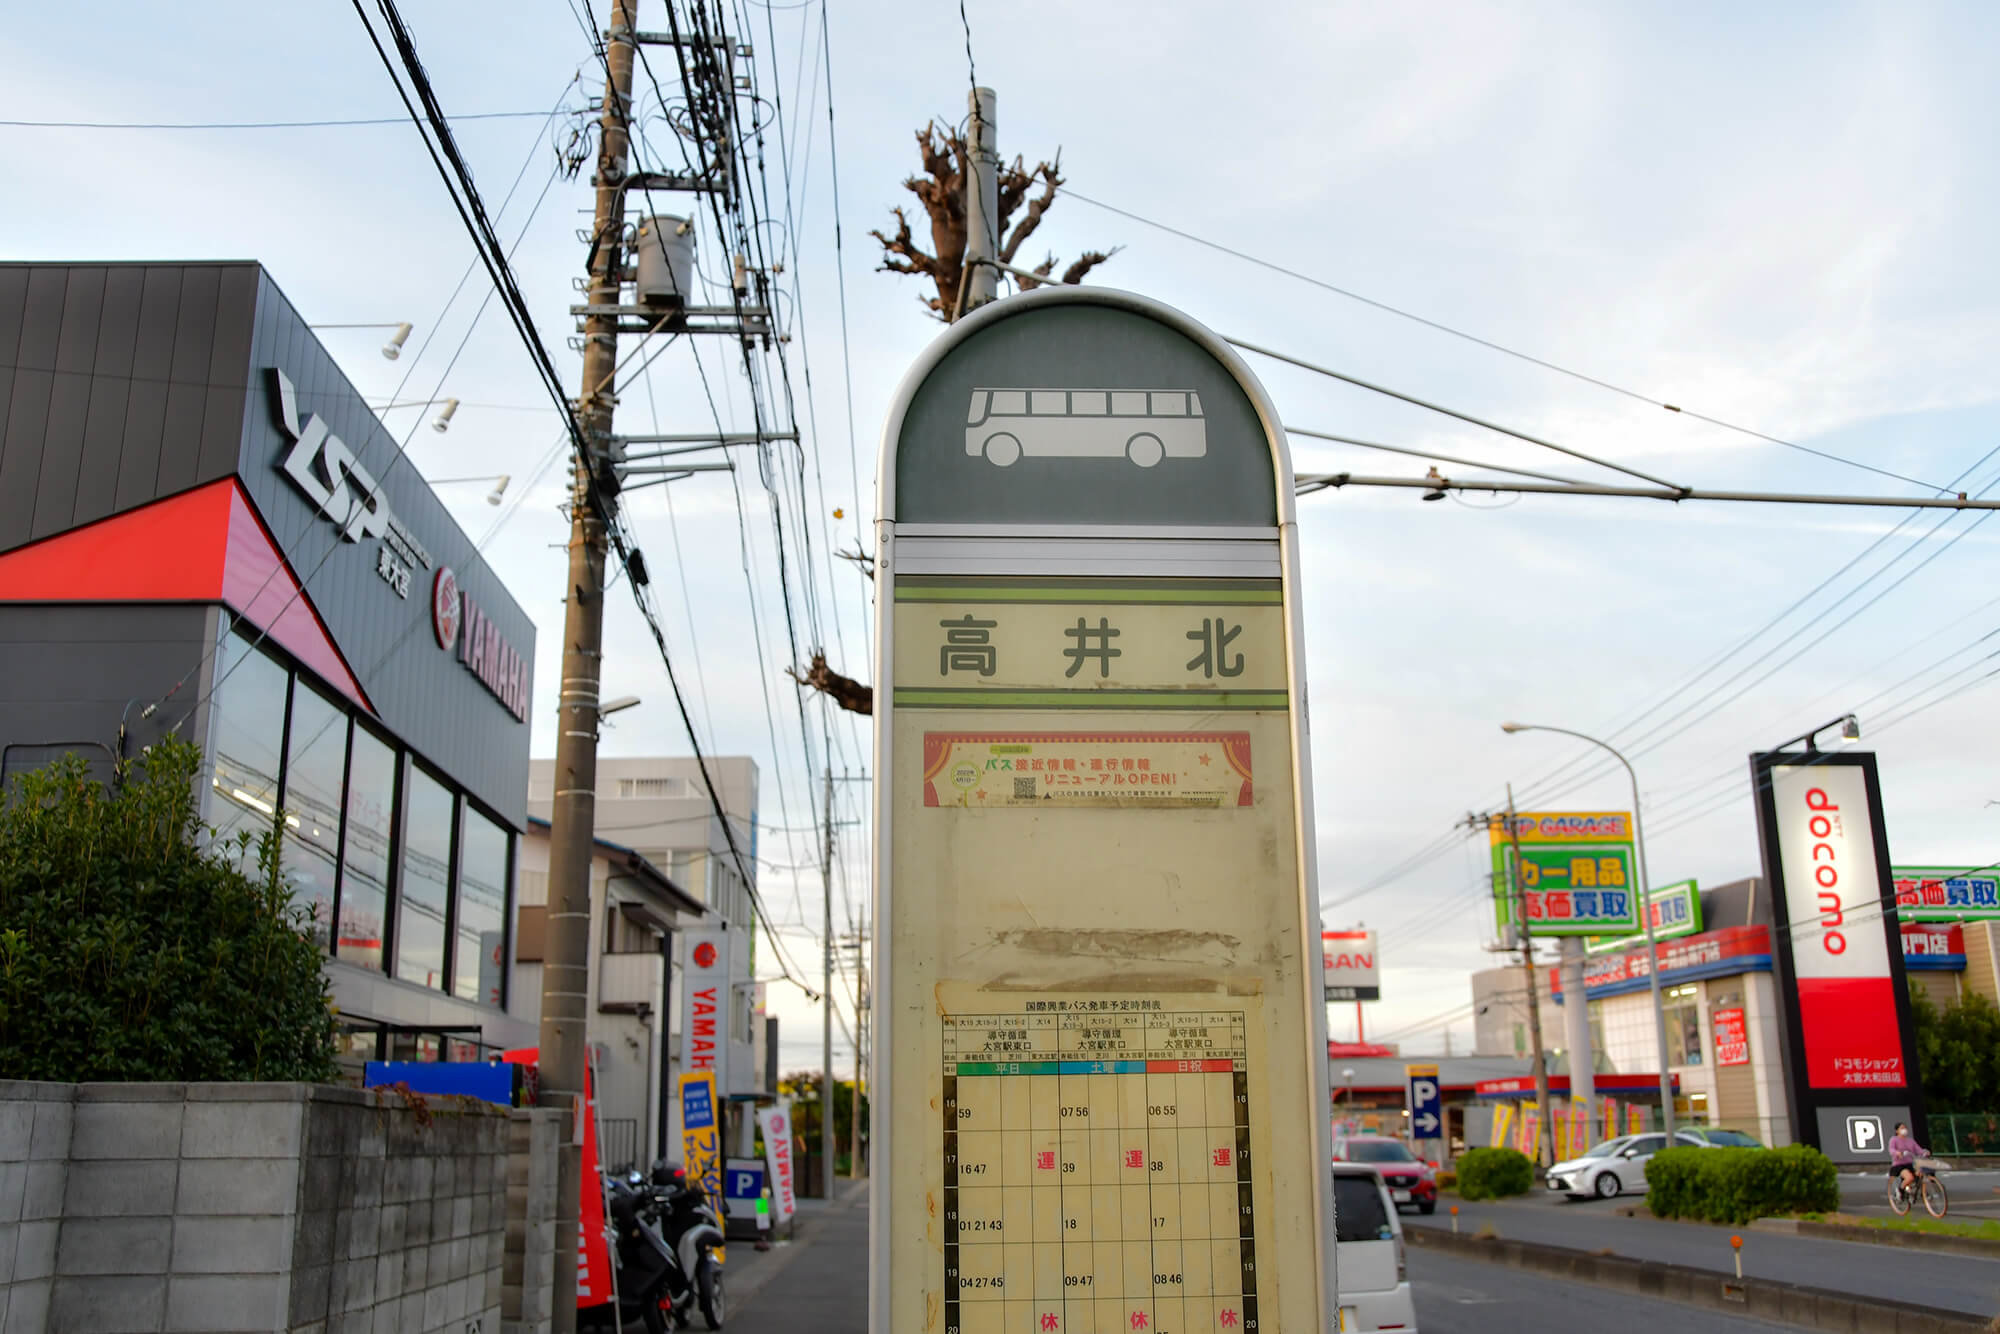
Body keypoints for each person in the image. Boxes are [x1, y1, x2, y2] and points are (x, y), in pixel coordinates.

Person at [1887, 1122, 1926, 1197]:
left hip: (1910, 1164)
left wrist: (1924, 1152)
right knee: (1909, 1177)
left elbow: (1918, 1150)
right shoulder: (1894, 1139)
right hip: (1899, 1165)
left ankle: (1920, 1191)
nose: (1904, 1130)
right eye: (1902, 1128)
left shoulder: (1910, 1140)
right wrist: (1898, 1153)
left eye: (1905, 1128)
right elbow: (1891, 1150)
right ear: (1897, 1131)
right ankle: (1900, 1190)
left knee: (1920, 1173)